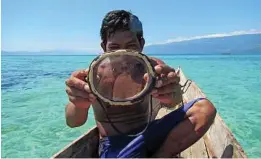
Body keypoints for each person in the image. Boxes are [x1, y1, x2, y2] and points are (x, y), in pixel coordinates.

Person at [65, 10, 216, 158]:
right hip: (116, 146)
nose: (123, 54)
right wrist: (78, 103)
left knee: (205, 109)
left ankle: (162, 155)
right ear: (104, 47)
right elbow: (73, 122)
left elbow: (173, 103)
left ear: (141, 44)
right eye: (114, 47)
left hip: (151, 133)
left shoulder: (153, 67)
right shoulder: (93, 75)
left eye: (131, 46)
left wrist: (172, 95)